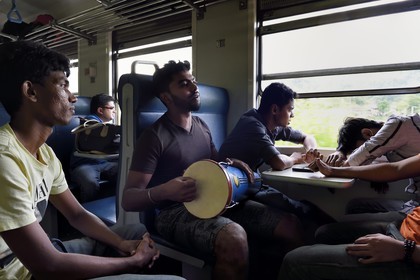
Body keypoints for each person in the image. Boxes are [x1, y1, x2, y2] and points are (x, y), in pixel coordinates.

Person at [0, 40, 184, 280]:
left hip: (38, 256)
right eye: (63, 85)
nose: (73, 97)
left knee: (133, 233)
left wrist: (123, 245)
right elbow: (47, 265)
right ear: (31, 91)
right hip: (16, 271)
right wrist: (132, 262)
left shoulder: (45, 153)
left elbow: (77, 215)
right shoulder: (6, 158)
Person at [122, 61, 312, 280]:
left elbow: (214, 165)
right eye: (184, 84)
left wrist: (231, 164)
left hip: (215, 200)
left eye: (193, 81)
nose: (194, 88)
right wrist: (165, 191)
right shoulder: (154, 137)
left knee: (290, 226)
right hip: (173, 212)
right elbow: (129, 199)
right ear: (166, 97)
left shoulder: (202, 126)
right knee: (234, 237)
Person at [278, 156, 420, 280]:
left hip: (410, 253)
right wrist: (333, 170)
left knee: (295, 262)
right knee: (325, 232)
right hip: (404, 228)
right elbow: (396, 169)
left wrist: (406, 250)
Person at [218, 82, 334, 231]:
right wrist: (296, 158)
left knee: (305, 208)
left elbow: (306, 137)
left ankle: (335, 236)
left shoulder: (272, 126)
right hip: (234, 188)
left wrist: (311, 151)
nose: (292, 114)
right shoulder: (253, 126)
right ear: (274, 109)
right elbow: (278, 163)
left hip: (251, 183)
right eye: (289, 109)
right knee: (299, 211)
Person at [314, 115, 420, 244]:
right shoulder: (394, 145)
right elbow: (373, 163)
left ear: (367, 133)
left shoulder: (399, 124)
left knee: (333, 228)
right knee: (355, 206)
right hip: (414, 202)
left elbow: (361, 158)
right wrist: (340, 152)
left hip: (416, 209)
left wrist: (333, 166)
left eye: (356, 149)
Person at [70, 93, 119, 202]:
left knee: (125, 171)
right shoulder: (89, 123)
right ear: (100, 111)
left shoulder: (106, 126)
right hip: (84, 164)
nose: (114, 111)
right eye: (111, 108)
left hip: (103, 163)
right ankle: (87, 212)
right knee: (90, 183)